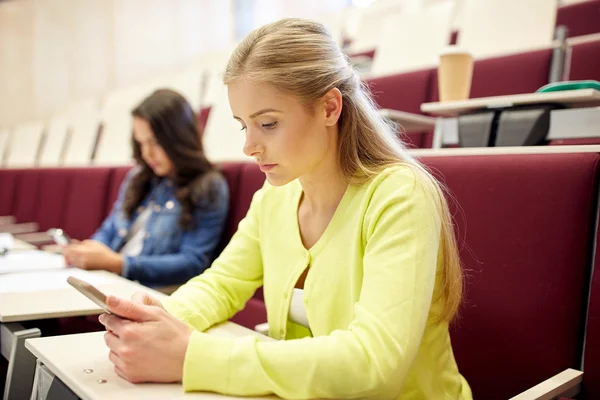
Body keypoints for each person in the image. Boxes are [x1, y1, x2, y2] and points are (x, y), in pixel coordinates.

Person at [98, 19, 472, 399]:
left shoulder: (400, 196)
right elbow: (222, 284)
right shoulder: (276, 195)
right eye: (244, 126)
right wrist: (159, 321)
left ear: (329, 107)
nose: (250, 146)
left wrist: (192, 356)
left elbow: (373, 363)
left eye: (268, 123)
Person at [62, 89, 229, 287]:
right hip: (111, 281)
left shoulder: (208, 186)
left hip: (149, 292)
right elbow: (111, 228)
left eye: (155, 142)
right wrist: (90, 250)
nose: (147, 153)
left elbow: (193, 263)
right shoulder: (139, 177)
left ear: (179, 138)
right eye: (141, 143)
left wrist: (119, 264)